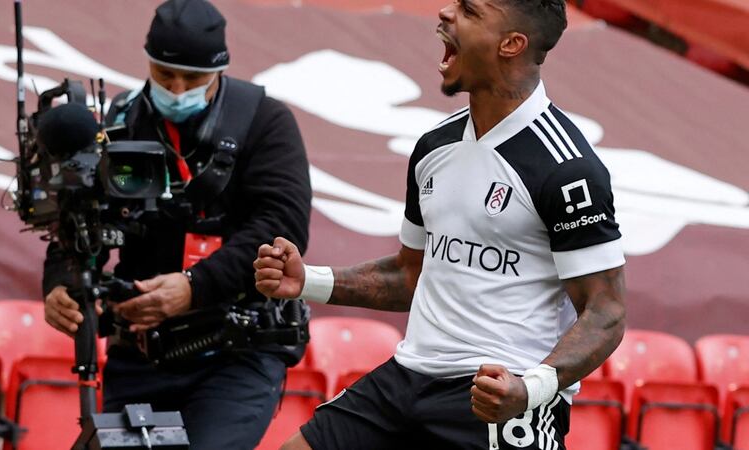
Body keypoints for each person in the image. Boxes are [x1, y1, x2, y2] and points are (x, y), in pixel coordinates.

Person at [254, 0, 626, 448]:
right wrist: (308, 281)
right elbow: (411, 273)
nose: (446, 12)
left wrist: (533, 388)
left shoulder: (567, 167)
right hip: (406, 379)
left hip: (498, 394)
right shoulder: (435, 145)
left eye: (470, 11)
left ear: (512, 44)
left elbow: (605, 312)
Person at [41, 0, 312, 448]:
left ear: (221, 71)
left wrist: (194, 286)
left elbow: (281, 227)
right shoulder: (119, 123)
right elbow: (77, 219)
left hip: (236, 352)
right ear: (148, 61)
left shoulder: (265, 121)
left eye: (194, 79)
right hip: (139, 353)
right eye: (166, 75)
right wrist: (59, 285)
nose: (179, 88)